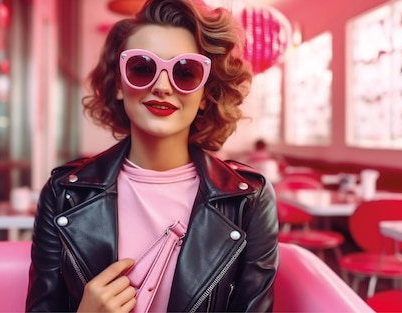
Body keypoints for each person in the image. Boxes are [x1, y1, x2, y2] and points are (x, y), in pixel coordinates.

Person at [25, 0, 279, 312]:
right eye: (143, 68)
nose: (161, 86)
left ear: (204, 94)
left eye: (185, 73)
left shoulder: (249, 200)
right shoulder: (63, 193)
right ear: (119, 84)